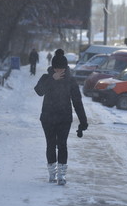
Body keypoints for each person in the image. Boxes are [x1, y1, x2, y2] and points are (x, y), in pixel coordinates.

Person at [34, 49, 88, 185]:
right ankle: (52, 173)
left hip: (64, 118)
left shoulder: (70, 81)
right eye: (56, 68)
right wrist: (52, 79)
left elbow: (77, 101)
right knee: (50, 145)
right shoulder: (46, 78)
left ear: (65, 68)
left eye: (61, 68)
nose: (59, 71)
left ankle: (62, 175)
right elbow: (39, 91)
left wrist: (83, 121)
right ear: (53, 68)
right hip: (48, 118)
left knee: (62, 145)